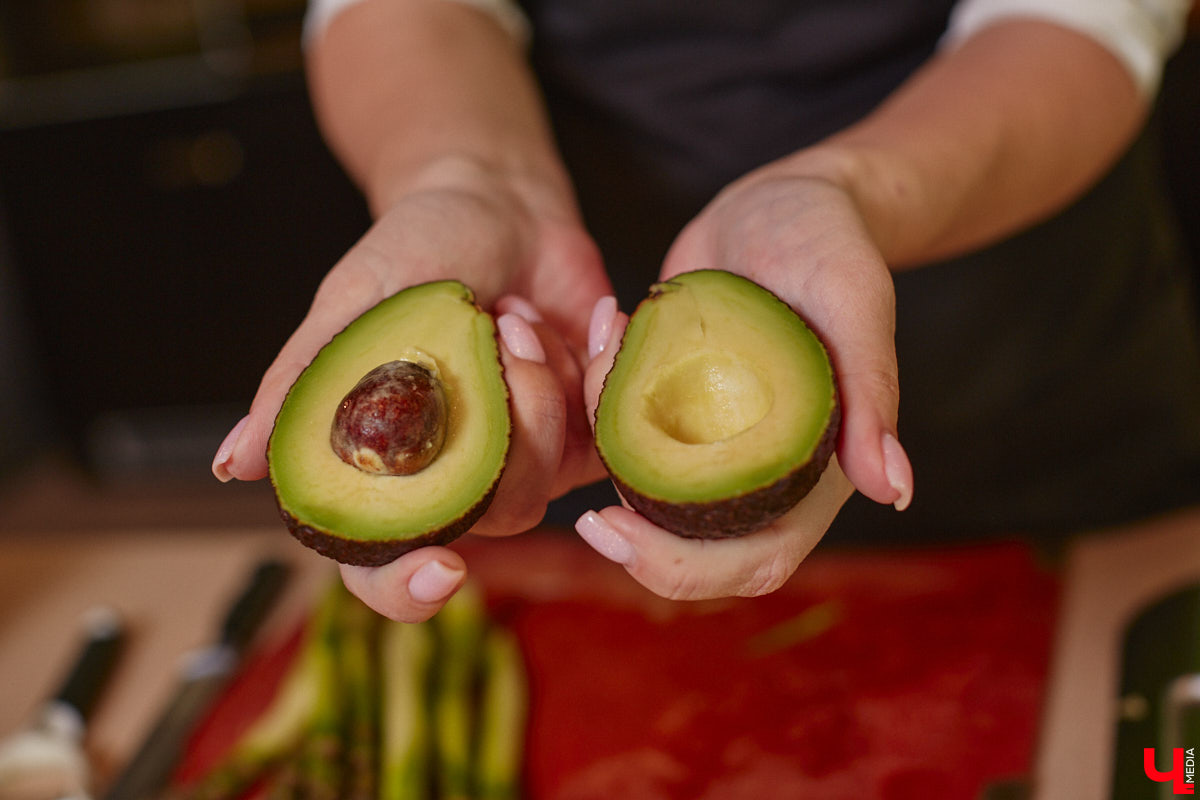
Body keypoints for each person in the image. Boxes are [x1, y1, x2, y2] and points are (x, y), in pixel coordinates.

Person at [211, 0, 1200, 622]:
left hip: (1035, 381)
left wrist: (846, 188)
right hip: (564, 365)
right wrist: (469, 180)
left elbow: (1090, 16)